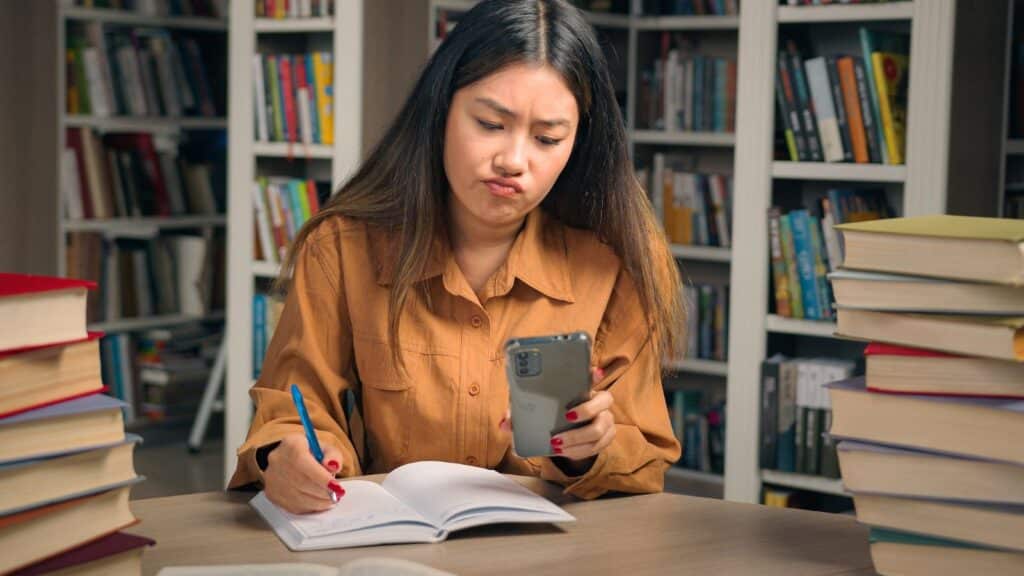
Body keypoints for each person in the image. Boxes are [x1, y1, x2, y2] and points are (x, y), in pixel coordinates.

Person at [229, 0, 685, 514]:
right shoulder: (342, 247)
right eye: (491, 124)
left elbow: (645, 455)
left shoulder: (616, 262)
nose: (513, 160)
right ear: (441, 110)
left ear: (578, 144)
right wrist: (290, 455)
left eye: (547, 138)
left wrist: (585, 453)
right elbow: (293, 408)